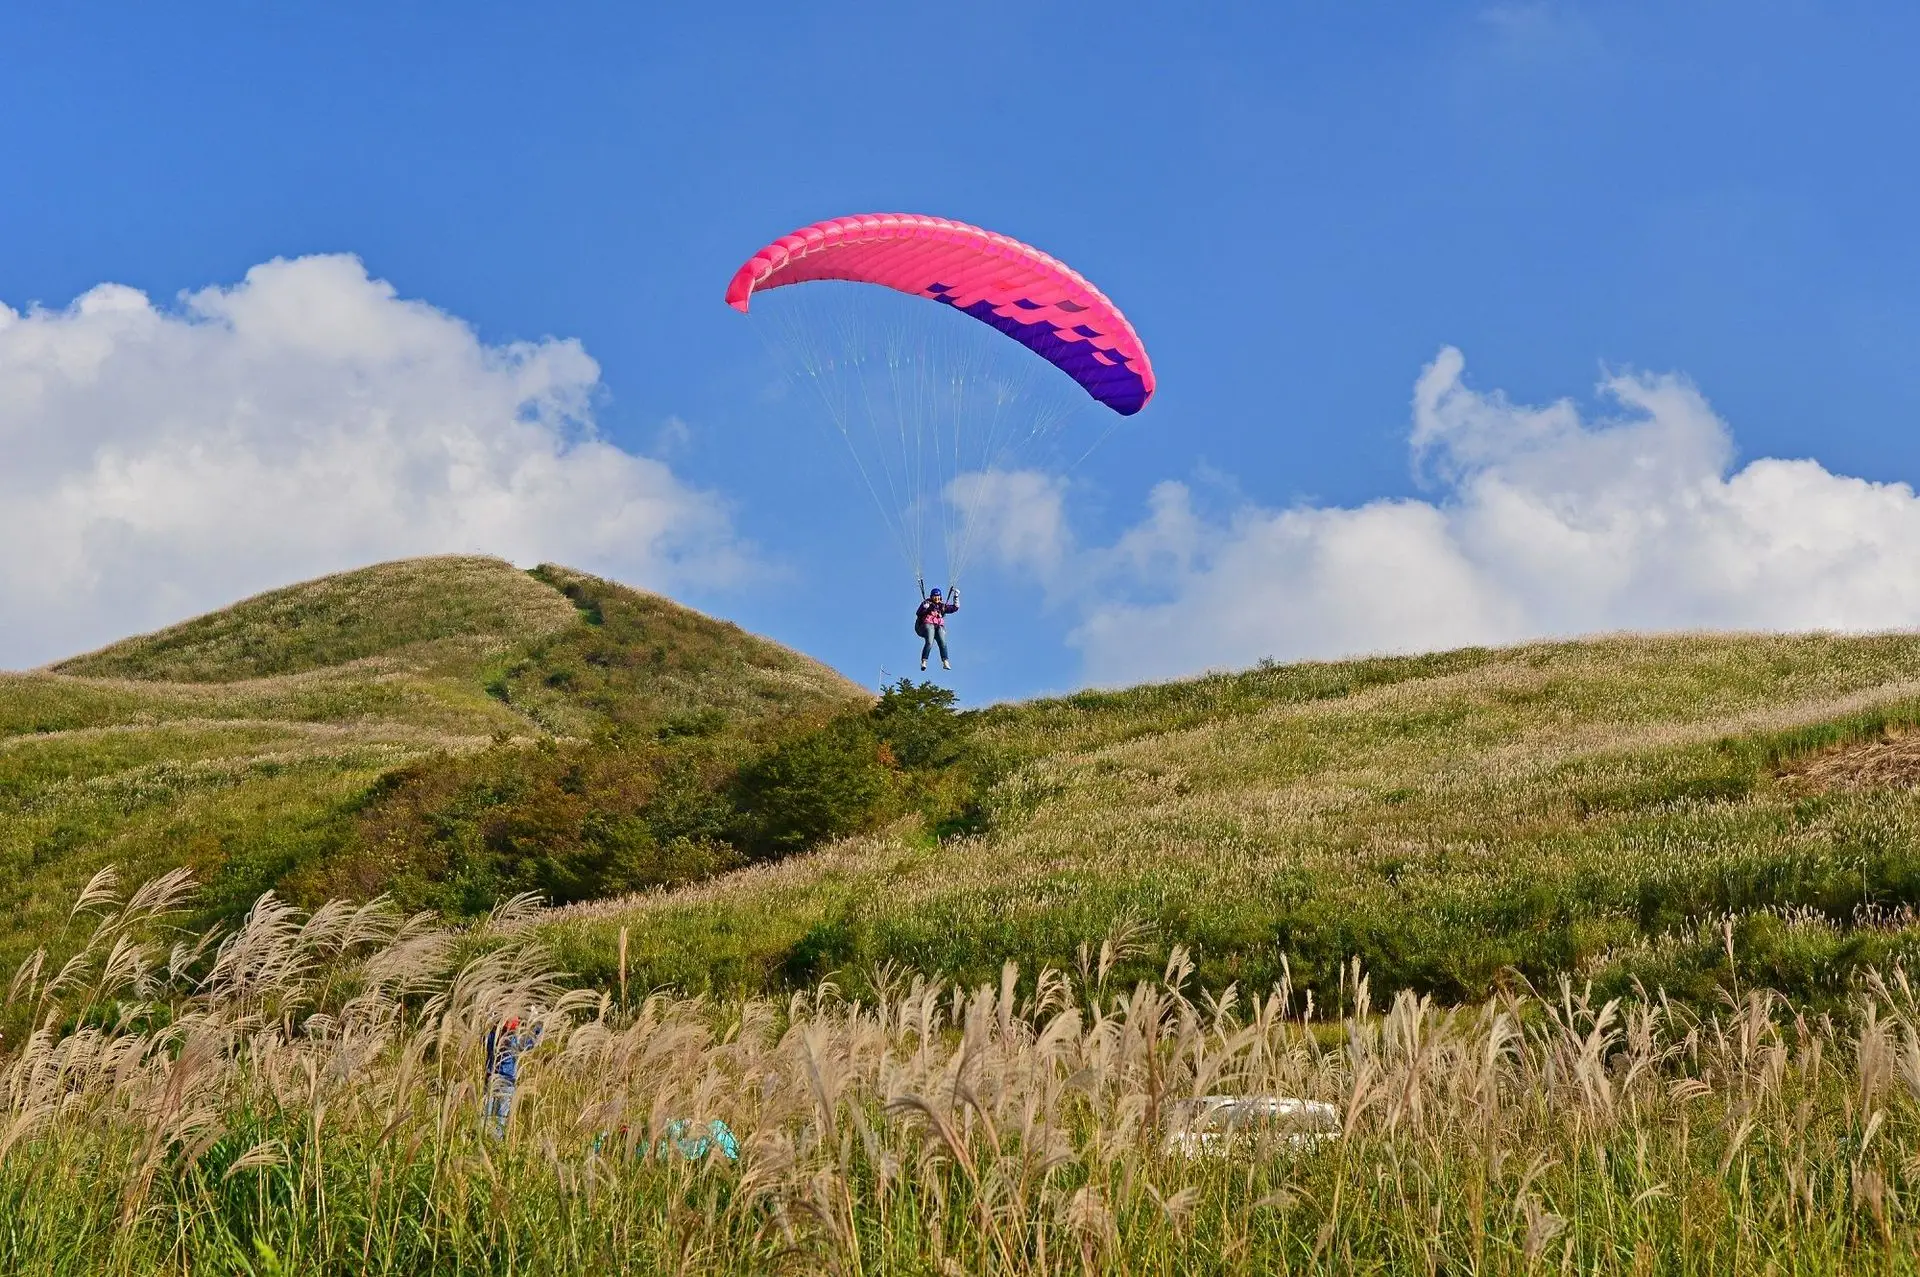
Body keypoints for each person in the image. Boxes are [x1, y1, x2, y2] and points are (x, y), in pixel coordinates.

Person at [484, 1014, 543, 1137]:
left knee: (486, 1116)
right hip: (507, 1083)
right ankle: (495, 1146)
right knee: (501, 1118)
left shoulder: (493, 1036)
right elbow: (531, 1043)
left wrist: (491, 1018)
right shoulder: (515, 1040)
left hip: (491, 1079)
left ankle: (484, 1141)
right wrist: (537, 1025)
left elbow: (484, 1038)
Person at [914, 587, 959, 671]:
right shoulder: (927, 603)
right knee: (930, 642)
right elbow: (918, 613)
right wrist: (924, 608)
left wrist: (956, 596)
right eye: (934, 596)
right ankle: (924, 661)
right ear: (931, 597)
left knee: (943, 642)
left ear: (940, 597)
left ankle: (945, 661)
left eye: (938, 596)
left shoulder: (942, 606)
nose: (936, 598)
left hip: (938, 627)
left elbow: (955, 608)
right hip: (926, 625)